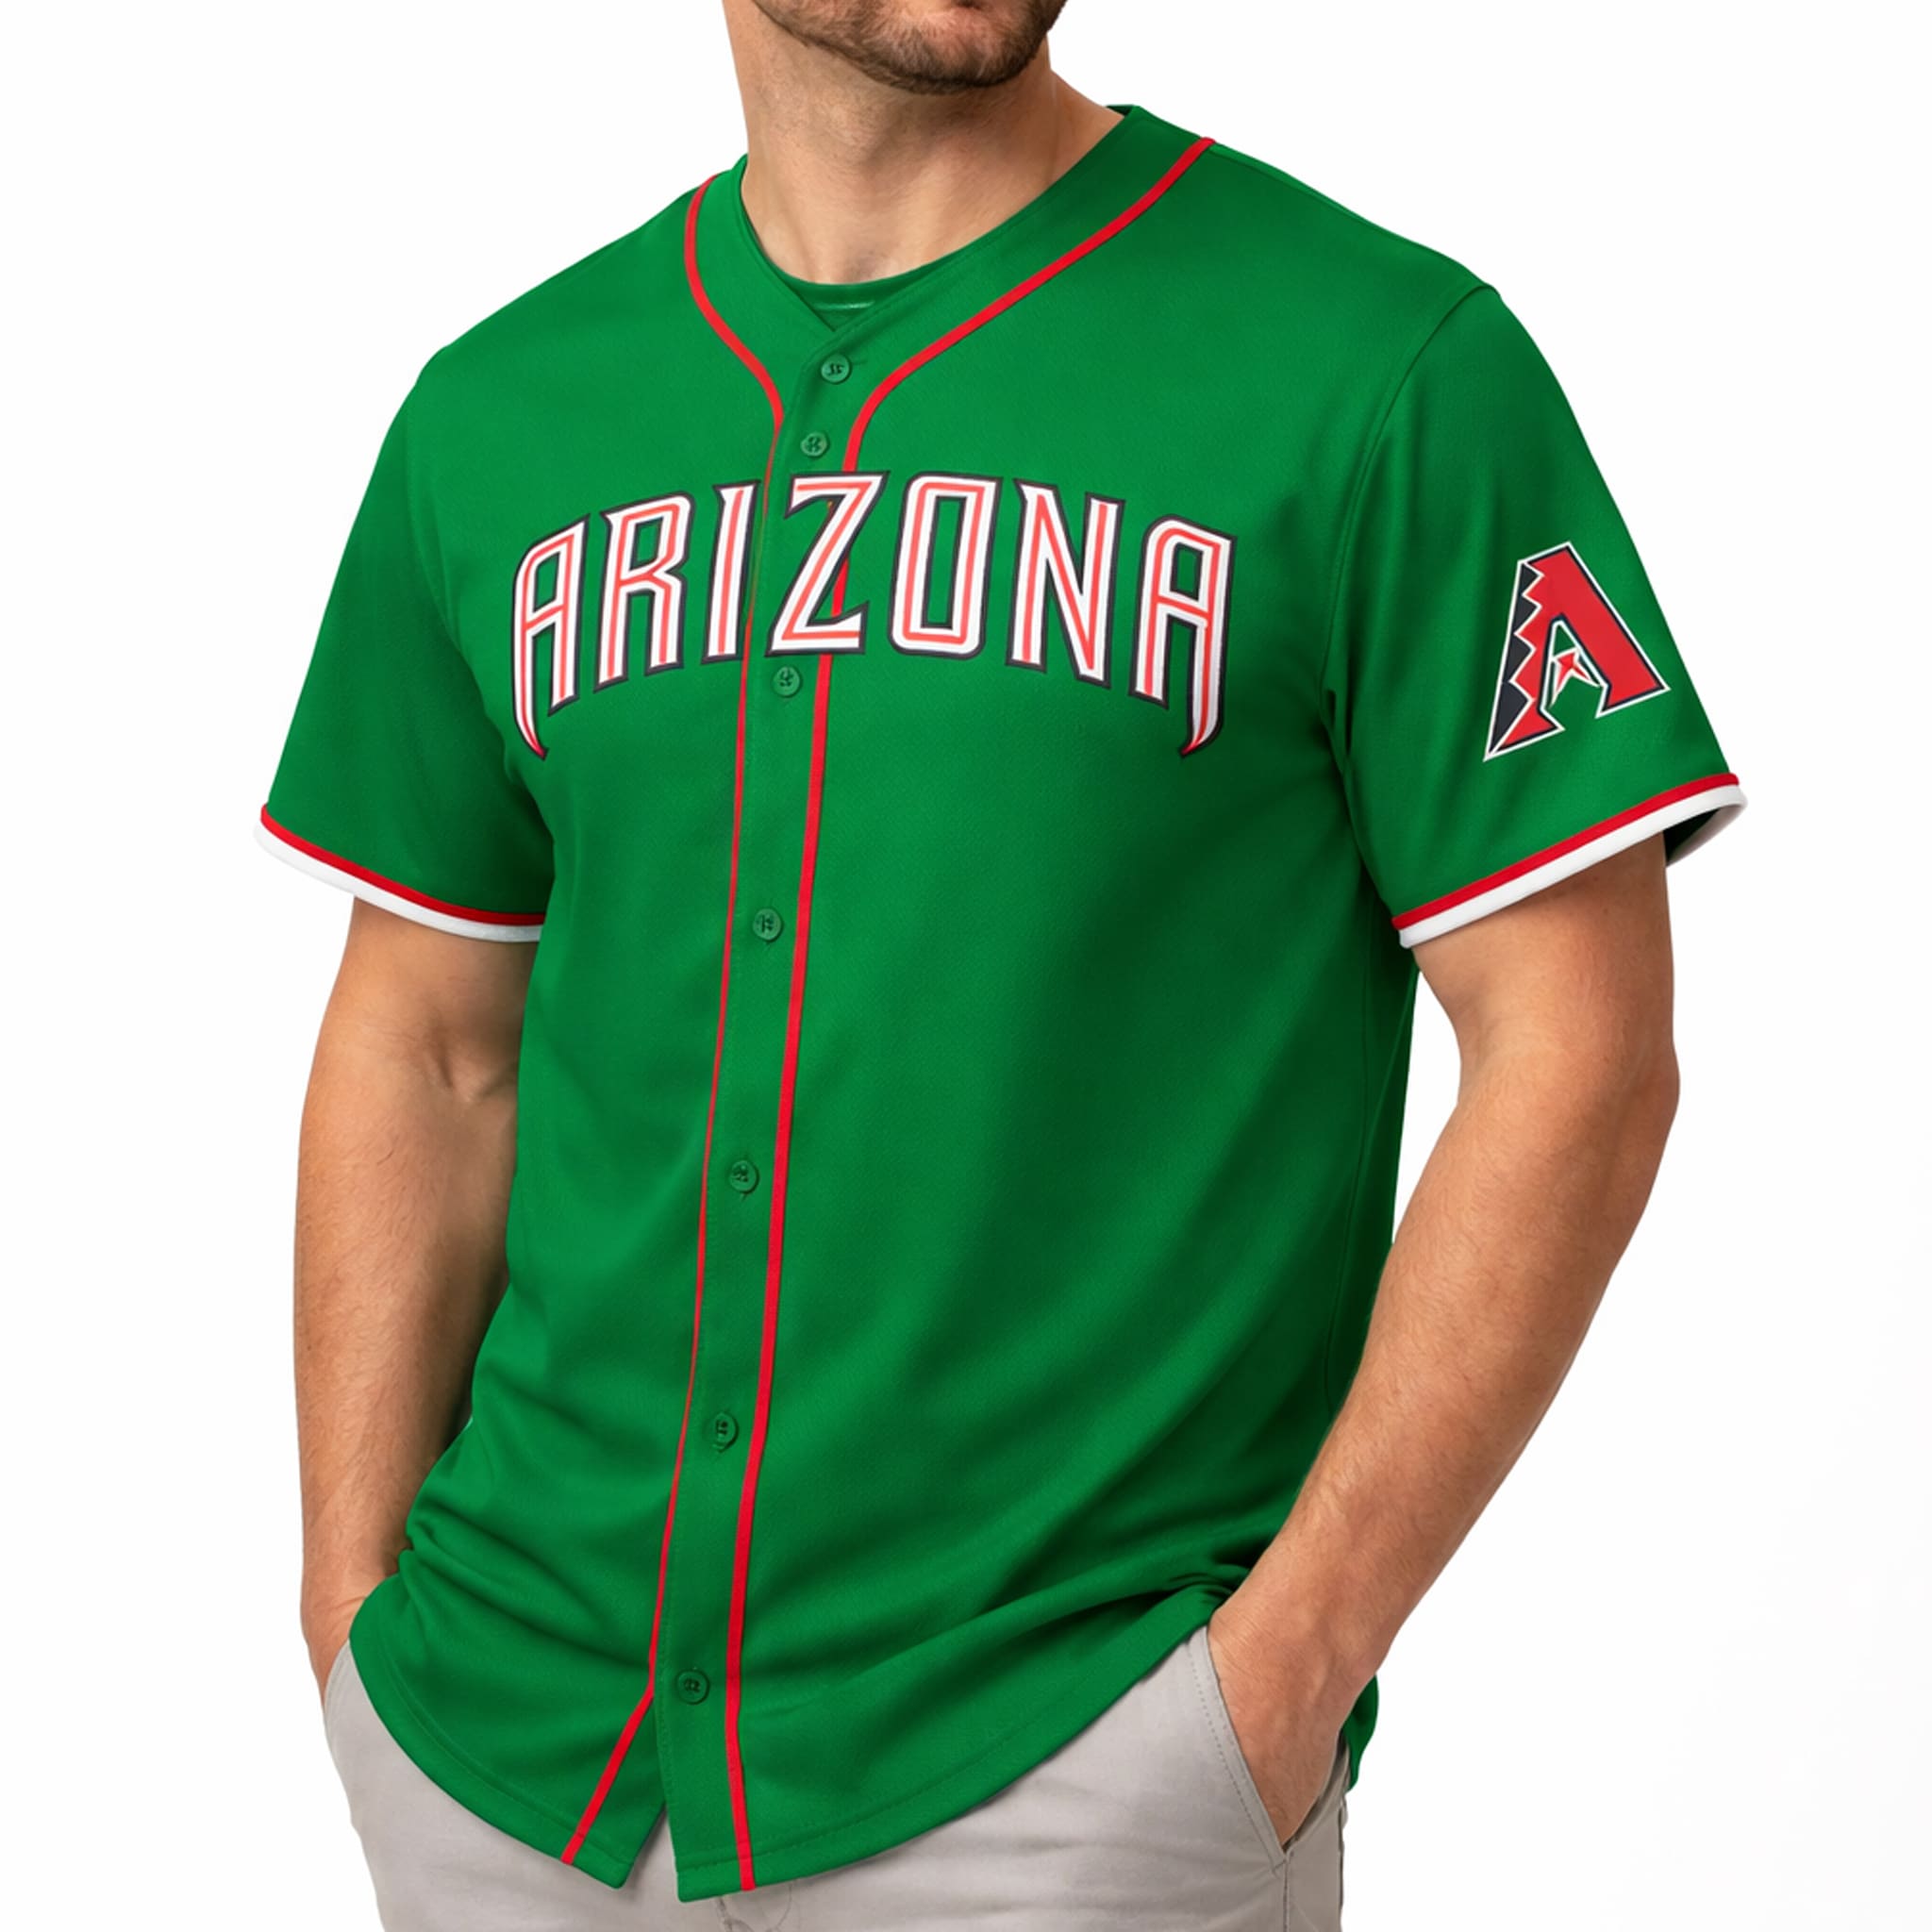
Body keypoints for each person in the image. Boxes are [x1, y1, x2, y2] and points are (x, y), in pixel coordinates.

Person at [258, 3, 1744, 1926]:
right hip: (507, 1760)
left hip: (1063, 1770)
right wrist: (350, 1619)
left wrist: (1276, 1679)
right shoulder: (498, 414)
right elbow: (428, 1040)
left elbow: (1581, 1051)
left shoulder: (1382, 367)